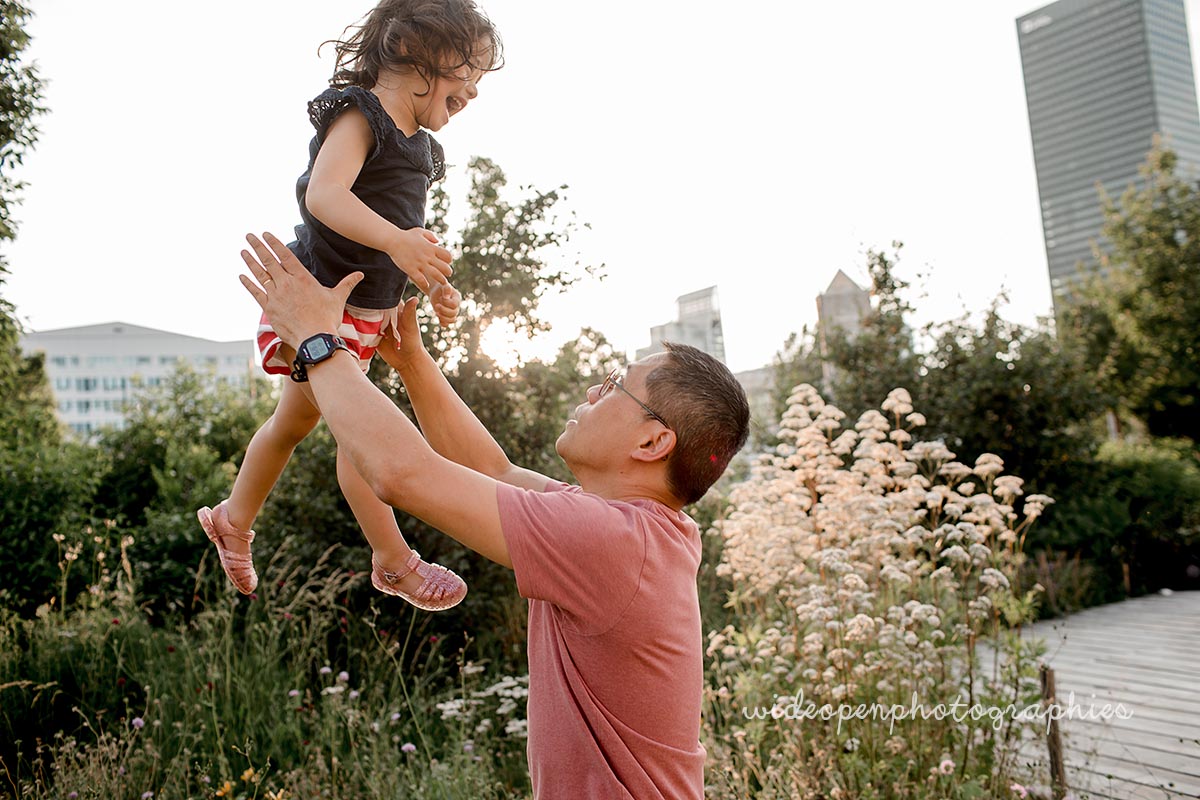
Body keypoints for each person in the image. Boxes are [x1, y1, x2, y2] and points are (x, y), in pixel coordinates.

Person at [236, 232, 751, 799]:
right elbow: (493, 470)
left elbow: (400, 474)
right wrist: (411, 360)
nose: (590, 390)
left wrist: (316, 343)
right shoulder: (628, 528)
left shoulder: (613, 541)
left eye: (611, 388)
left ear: (652, 441)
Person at [197, 0, 503, 611]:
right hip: (314, 301)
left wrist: (422, 281)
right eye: (466, 72)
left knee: (294, 423)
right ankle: (393, 559)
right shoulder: (362, 116)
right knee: (358, 437)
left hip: (359, 311)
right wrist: (396, 242)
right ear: (420, 52)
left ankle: (234, 519)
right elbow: (325, 195)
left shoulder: (419, 149)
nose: (472, 90)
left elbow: (393, 230)